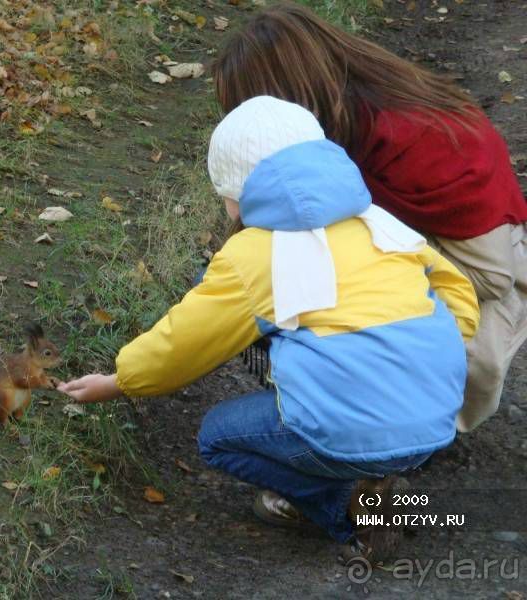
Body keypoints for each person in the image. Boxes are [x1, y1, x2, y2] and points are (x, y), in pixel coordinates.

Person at [58, 96, 479, 562]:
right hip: (437, 417)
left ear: (238, 193)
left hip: (357, 426)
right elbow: (458, 295)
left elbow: (184, 342)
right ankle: (394, 497)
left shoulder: (256, 255)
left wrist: (121, 381)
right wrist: (426, 358)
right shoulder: (379, 223)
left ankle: (355, 511)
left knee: (217, 437)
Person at [210, 2, 527, 433]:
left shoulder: (422, 139)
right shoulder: (335, 121)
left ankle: (407, 433)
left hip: (484, 263)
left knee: (463, 358)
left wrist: (367, 273)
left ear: (293, 94)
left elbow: (494, 278)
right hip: (409, 246)